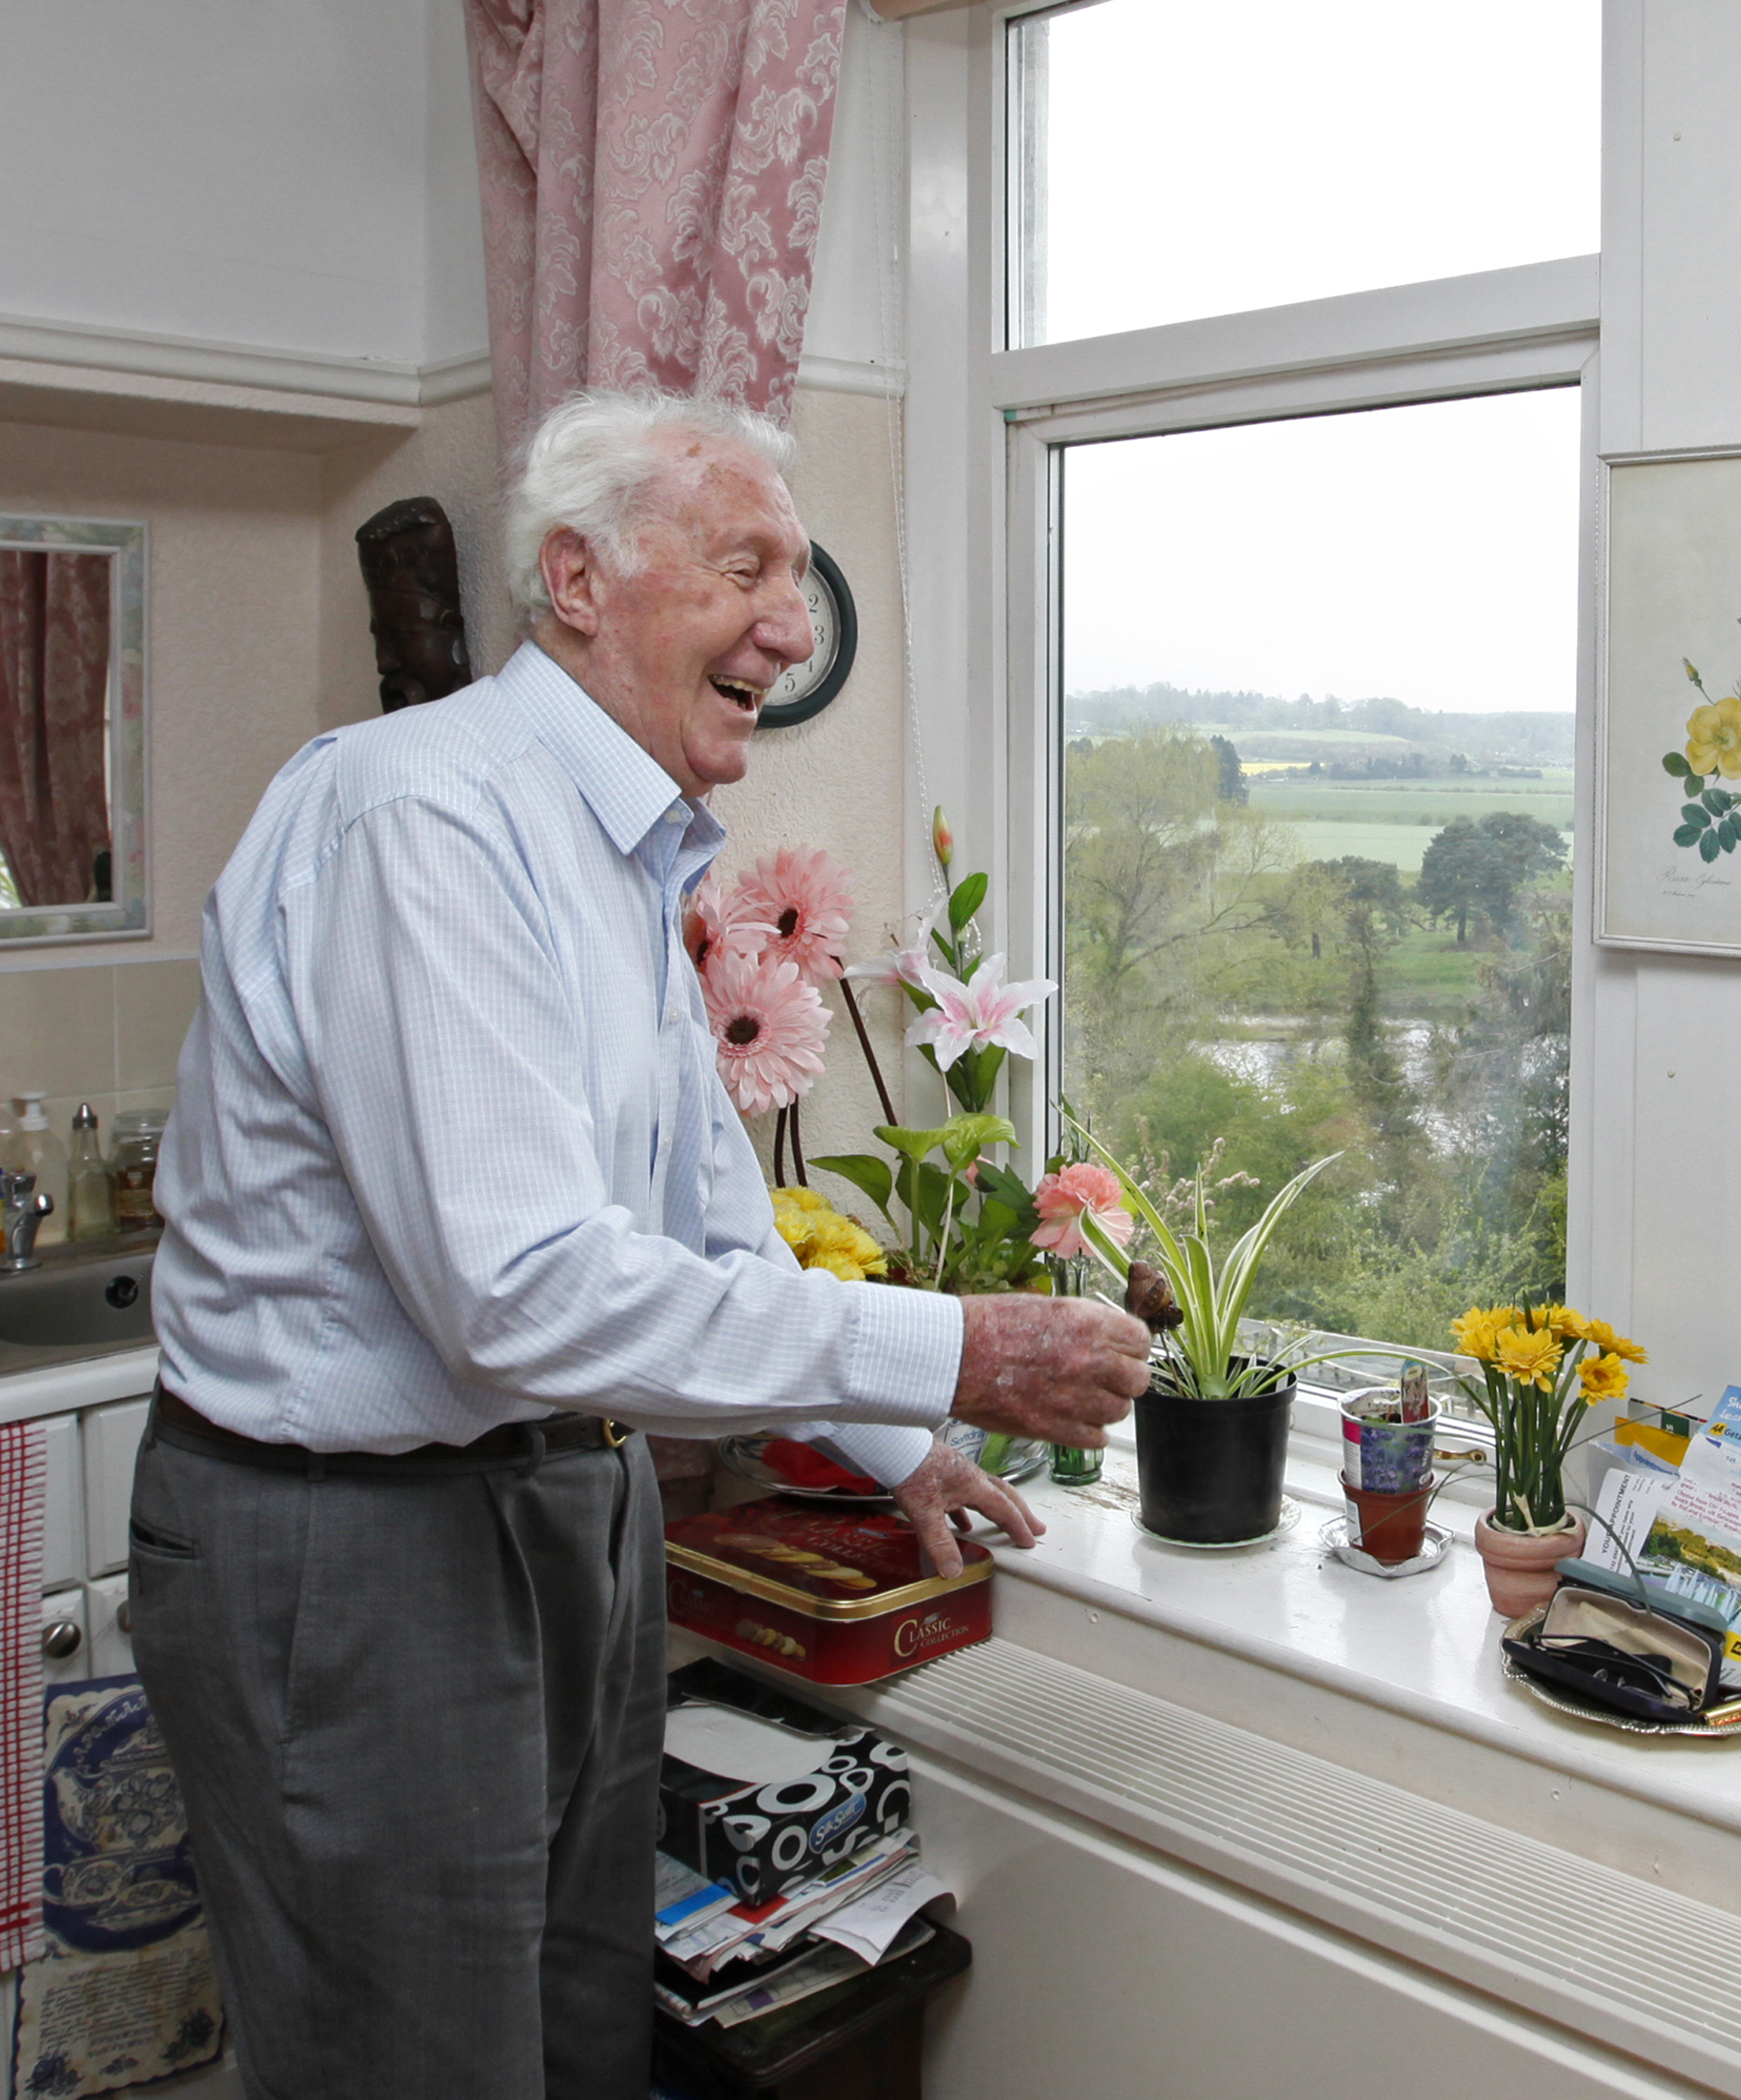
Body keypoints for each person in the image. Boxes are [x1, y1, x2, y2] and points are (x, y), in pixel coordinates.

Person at [131, 388, 1152, 2100]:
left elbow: (701, 1201)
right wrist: (955, 1347)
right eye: (744, 563)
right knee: (412, 2060)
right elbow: (516, 1290)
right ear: (580, 581)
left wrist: (894, 1437)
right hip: (355, 1546)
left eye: (798, 574)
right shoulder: (425, 820)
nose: (793, 620)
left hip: (563, 1508)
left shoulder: (624, 844)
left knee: (575, 2030)